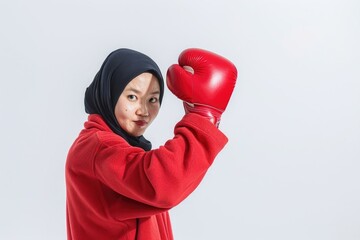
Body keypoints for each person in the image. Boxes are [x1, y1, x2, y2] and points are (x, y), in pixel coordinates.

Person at [65, 48, 237, 240]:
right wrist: (204, 118)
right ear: (110, 92)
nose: (144, 110)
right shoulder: (98, 147)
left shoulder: (119, 147)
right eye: (132, 97)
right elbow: (164, 184)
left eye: (153, 99)